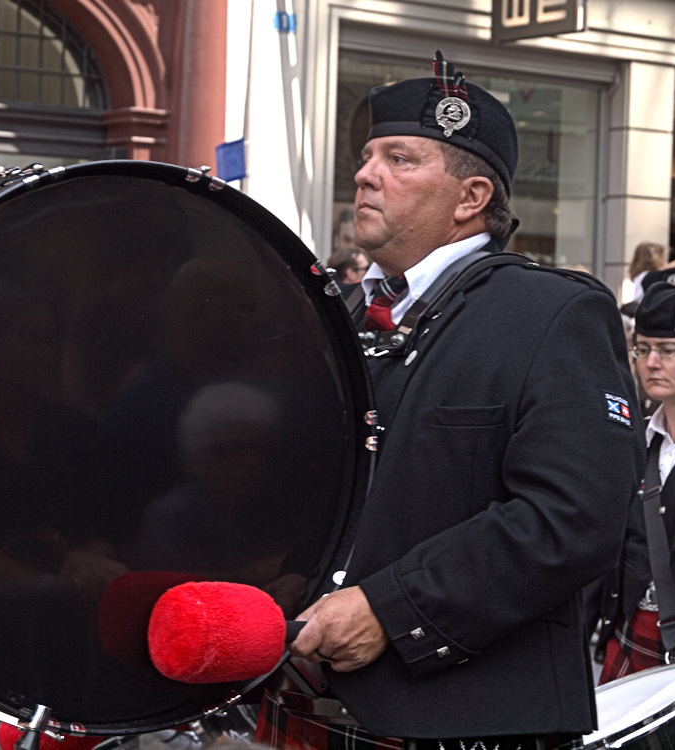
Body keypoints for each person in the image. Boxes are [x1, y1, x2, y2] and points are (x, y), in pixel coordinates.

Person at [265, 52, 643, 750]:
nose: (365, 173)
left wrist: (390, 609)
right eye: (368, 155)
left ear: (470, 198)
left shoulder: (550, 314)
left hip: (469, 725)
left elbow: (575, 517)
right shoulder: (335, 317)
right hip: (306, 708)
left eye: (399, 159)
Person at [593, 277, 675, 683]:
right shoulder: (631, 439)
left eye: (669, 350)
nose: (650, 363)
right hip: (630, 632)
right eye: (642, 349)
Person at [625, 241, 675, 306]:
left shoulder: (640, 274)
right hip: (642, 306)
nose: (664, 262)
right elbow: (667, 267)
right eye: (663, 258)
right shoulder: (647, 275)